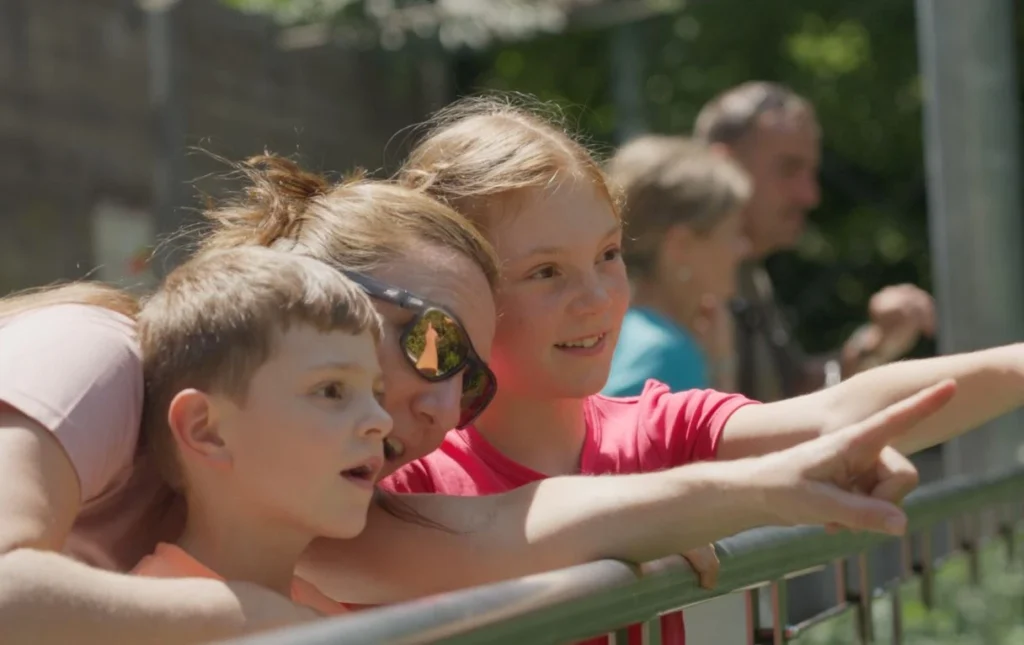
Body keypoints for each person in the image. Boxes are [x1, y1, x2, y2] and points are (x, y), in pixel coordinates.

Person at [0, 153, 997, 645]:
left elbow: (499, 533)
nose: (440, 406)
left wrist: (760, 491)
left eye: (471, 378)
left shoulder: (303, 504)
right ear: (316, 292)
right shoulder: (91, 356)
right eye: (429, 341)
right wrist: (268, 626)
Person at [386, 95, 1024, 644]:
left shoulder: (661, 425)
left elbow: (837, 411)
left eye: (608, 253)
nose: (598, 297)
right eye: (545, 271)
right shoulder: (397, 473)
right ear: (456, 292)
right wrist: (675, 513)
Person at [130, 246, 390, 615]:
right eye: (331, 391)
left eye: (378, 394)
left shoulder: (327, 616)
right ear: (207, 430)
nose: (382, 419)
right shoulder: (145, 624)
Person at [693, 81, 936, 401]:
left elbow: (788, 396)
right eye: (788, 169)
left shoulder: (747, 272)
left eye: (810, 172)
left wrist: (875, 344)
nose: (810, 196)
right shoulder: (677, 280)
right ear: (723, 165)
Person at [602, 135, 750, 395]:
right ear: (680, 246)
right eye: (732, 233)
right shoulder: (665, 353)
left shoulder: (613, 330)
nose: (743, 248)